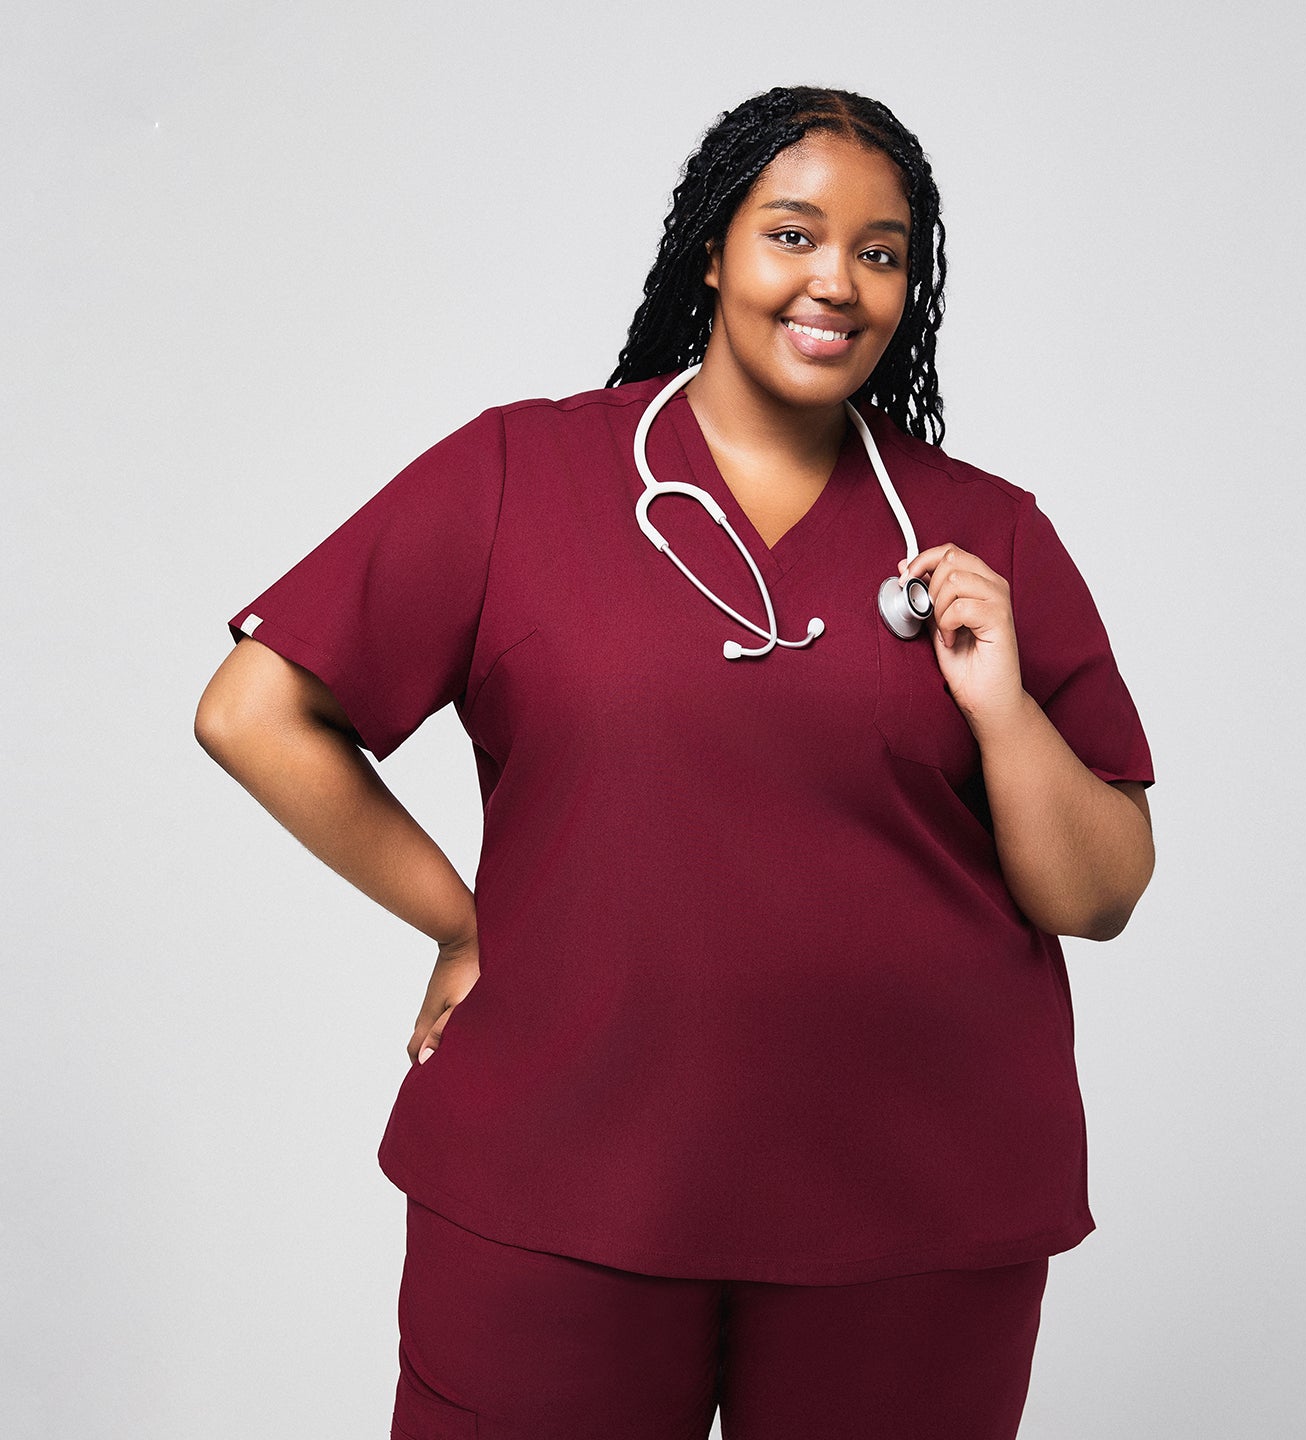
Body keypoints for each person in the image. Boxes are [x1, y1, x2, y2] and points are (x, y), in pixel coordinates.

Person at [195, 84, 1155, 1440]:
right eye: (794, 235)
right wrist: (471, 922)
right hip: (561, 1186)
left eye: (882, 254)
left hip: (919, 1209)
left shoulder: (982, 530)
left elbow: (1099, 892)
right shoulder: (519, 474)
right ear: (713, 249)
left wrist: (998, 705)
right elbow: (251, 710)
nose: (837, 282)